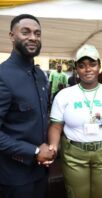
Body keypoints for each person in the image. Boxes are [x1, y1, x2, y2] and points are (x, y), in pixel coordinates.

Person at [48, 44, 102, 198]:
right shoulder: (64, 95)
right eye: (82, 65)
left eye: (92, 64)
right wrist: (53, 147)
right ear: (76, 69)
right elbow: (56, 127)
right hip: (74, 155)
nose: (87, 69)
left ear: (99, 66)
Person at [0, 14, 54, 198]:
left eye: (37, 33)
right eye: (26, 32)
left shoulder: (40, 75)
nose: (33, 37)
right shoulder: (3, 76)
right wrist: (35, 151)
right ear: (12, 36)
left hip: (41, 171)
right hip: (14, 177)